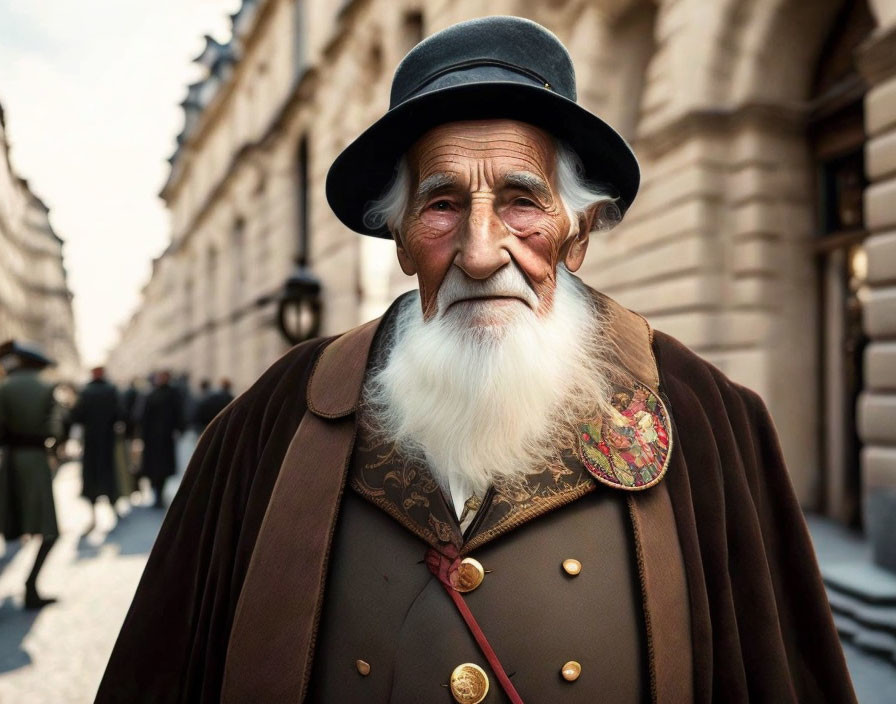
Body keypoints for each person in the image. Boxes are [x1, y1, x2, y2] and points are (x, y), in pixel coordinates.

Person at [97, 17, 856, 703]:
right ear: (399, 240)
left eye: (522, 200)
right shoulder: (274, 418)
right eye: (442, 204)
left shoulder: (705, 415)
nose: (481, 249)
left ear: (576, 231)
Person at [0, 340, 62, 610]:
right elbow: (56, 429)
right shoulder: (47, 388)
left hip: (9, 460)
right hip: (35, 460)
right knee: (48, 530)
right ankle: (31, 586)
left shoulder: (3, 388)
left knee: (8, 522)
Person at [70, 366, 122, 534]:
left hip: (91, 442)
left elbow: (76, 416)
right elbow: (120, 414)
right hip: (106, 441)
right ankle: (113, 511)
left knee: (92, 478)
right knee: (108, 476)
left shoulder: (86, 392)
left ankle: (94, 516)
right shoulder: (111, 390)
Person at [137, 371, 183, 509]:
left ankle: (159, 494)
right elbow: (143, 416)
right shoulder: (151, 394)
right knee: (154, 469)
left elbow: (178, 414)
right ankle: (157, 494)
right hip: (153, 439)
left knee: (162, 469)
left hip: (164, 438)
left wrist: (178, 429)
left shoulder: (171, 394)